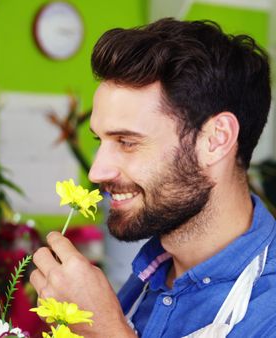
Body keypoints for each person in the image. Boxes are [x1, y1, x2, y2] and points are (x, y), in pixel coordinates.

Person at [30, 18, 276, 337]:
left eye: (127, 142)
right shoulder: (149, 276)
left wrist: (106, 330)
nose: (96, 172)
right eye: (99, 141)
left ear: (215, 139)